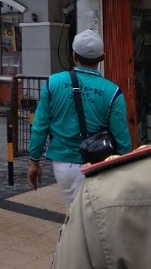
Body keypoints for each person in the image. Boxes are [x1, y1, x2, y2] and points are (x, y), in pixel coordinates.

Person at [27, 29, 132, 208]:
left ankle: (71, 234)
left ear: (73, 55)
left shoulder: (53, 83)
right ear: (102, 58)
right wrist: (125, 170)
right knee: (97, 214)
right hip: (99, 164)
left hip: (63, 164)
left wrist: (34, 160)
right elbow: (122, 137)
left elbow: (40, 125)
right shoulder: (113, 92)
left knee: (74, 212)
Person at [51, 145, 151, 268]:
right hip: (100, 165)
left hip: (67, 162)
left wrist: (34, 159)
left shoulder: (102, 196)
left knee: (79, 216)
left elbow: (41, 128)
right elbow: (120, 132)